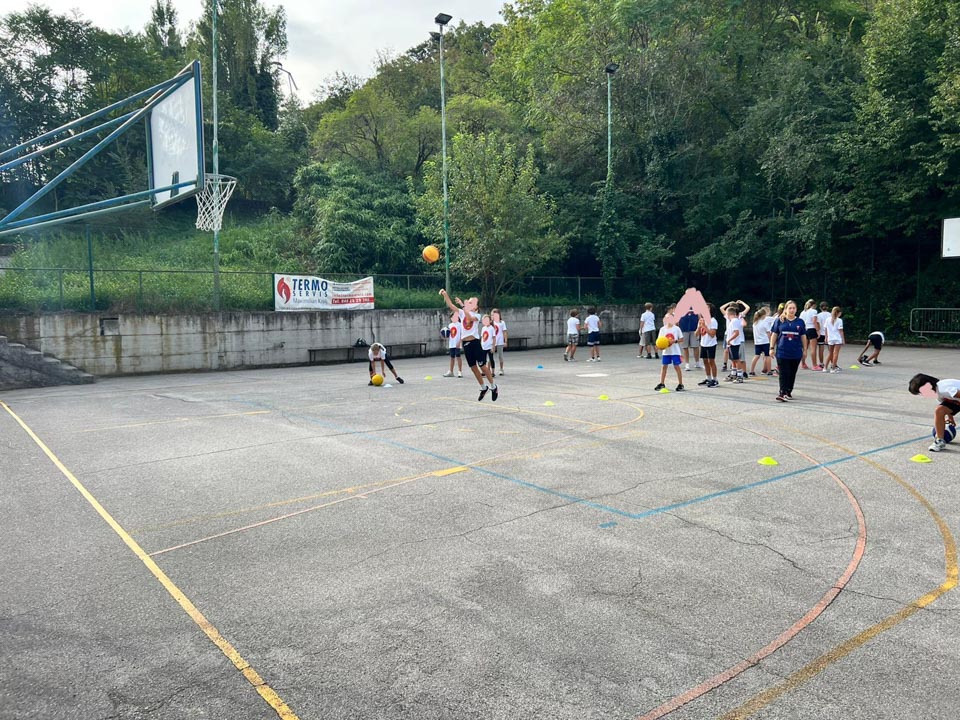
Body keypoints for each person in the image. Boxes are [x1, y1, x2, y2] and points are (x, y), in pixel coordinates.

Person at [439, 289, 498, 401]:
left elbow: (470, 318)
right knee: (473, 368)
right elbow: (451, 305)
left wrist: (462, 305)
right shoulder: (462, 313)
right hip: (466, 344)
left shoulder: (477, 315)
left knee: (482, 366)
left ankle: (493, 386)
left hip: (475, 343)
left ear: (476, 307)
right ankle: (483, 387)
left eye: (471, 302)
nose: (468, 303)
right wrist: (445, 294)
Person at [908, 373, 960, 452]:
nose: (922, 395)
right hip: (957, 401)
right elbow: (946, 405)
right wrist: (950, 418)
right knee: (939, 410)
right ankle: (940, 441)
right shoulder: (938, 394)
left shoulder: (943, 388)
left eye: (921, 392)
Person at [769, 300, 807, 402]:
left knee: (792, 373)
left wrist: (805, 350)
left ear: (796, 309)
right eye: (790, 308)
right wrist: (771, 348)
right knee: (783, 372)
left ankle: (789, 390)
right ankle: (782, 392)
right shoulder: (779, 321)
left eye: (793, 308)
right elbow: (774, 334)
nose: (792, 310)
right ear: (786, 309)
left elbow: (803, 336)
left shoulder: (800, 322)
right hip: (782, 352)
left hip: (796, 352)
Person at [720, 300, 749, 382]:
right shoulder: (732, 321)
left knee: (737, 359)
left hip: (735, 343)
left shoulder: (735, 321)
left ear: (729, 314)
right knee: (732, 360)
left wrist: (729, 340)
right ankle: (733, 374)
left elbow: (736, 333)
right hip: (731, 343)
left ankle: (739, 376)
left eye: (727, 314)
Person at [654, 314, 684, 391]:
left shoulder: (676, 329)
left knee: (676, 366)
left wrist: (675, 341)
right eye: (667, 318)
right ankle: (662, 383)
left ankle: (680, 384)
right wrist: (660, 347)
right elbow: (660, 341)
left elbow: (681, 339)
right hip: (666, 351)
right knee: (664, 366)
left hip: (675, 351)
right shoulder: (662, 329)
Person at [697, 304, 720, 388]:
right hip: (703, 343)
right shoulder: (701, 320)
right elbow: (696, 334)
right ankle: (708, 378)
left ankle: (715, 380)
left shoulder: (713, 321)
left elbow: (712, 334)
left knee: (711, 361)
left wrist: (705, 326)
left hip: (711, 344)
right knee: (705, 361)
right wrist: (699, 327)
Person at [749, 307, 773, 376]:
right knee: (767, 356)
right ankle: (769, 371)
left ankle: (751, 370)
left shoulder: (755, 323)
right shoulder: (764, 323)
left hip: (757, 342)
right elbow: (768, 333)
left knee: (756, 355)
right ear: (763, 315)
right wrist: (771, 341)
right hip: (765, 341)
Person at [678, 306, 701, 370]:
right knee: (685, 347)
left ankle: (697, 363)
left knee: (696, 346)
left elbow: (699, 317)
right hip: (684, 329)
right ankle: (687, 364)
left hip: (694, 329)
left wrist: (699, 328)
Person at [442, 311, 463, 378]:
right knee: (452, 357)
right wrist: (445, 335)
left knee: (458, 357)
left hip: (457, 344)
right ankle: (451, 371)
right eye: (452, 317)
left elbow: (462, 335)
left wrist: (459, 342)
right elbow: (449, 335)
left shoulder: (460, 325)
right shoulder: (450, 325)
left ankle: (460, 371)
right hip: (451, 344)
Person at [799, 299, 819, 370]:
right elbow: (814, 321)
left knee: (805, 348)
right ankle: (814, 365)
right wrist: (817, 331)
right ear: (814, 305)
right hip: (811, 329)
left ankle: (803, 364)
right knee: (813, 348)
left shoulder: (803, 312)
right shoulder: (814, 311)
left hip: (804, 330)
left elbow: (800, 322)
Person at [825, 306, 845, 373]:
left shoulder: (828, 319)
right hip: (837, 338)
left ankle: (825, 368)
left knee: (830, 353)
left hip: (830, 338)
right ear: (838, 313)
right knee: (835, 353)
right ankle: (833, 368)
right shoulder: (839, 320)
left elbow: (826, 329)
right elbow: (841, 331)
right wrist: (843, 339)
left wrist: (826, 337)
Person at [492, 307, 508, 375]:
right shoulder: (491, 322)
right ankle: (490, 370)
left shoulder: (502, 322)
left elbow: (504, 332)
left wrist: (505, 341)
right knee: (490, 356)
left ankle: (501, 369)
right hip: (492, 342)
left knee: (500, 356)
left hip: (500, 341)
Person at [816, 302, 831, 370]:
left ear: (820, 308)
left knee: (821, 349)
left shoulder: (818, 315)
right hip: (829, 333)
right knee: (831, 349)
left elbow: (818, 324)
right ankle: (832, 363)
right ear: (827, 307)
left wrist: (818, 331)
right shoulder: (830, 315)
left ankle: (821, 363)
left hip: (821, 333)